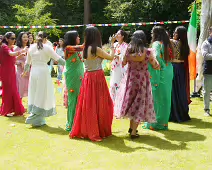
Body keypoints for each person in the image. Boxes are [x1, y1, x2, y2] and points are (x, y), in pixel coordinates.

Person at [70, 26, 116, 141]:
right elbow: (111, 57)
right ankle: (98, 130)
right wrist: (112, 45)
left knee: (89, 104)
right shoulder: (96, 49)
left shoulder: (85, 48)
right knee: (101, 104)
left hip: (88, 77)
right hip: (97, 77)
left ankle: (89, 129)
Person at [114, 30, 159, 139]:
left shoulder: (129, 50)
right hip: (142, 80)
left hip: (130, 79)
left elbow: (123, 62)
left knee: (131, 102)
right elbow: (155, 65)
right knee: (139, 104)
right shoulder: (147, 52)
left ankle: (131, 128)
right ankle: (134, 132)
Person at [23, 31, 65, 126]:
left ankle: (38, 119)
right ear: (45, 39)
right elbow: (58, 59)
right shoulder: (47, 47)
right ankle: (34, 115)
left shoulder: (31, 48)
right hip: (43, 72)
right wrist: (70, 64)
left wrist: (24, 72)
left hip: (34, 72)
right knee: (42, 93)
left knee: (35, 92)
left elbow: (27, 63)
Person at [143, 26, 174, 130]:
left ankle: (154, 124)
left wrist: (155, 66)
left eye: (152, 33)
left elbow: (155, 57)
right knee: (166, 98)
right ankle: (163, 123)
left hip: (160, 72)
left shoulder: (156, 44)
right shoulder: (168, 43)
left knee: (156, 98)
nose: (151, 35)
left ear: (155, 34)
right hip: (169, 70)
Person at [0, 32, 26, 116]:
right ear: (7, 39)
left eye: (15, 38)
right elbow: (11, 54)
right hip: (6, 71)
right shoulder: (4, 47)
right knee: (8, 91)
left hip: (11, 70)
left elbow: (13, 59)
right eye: (12, 38)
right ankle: (7, 110)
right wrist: (21, 51)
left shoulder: (9, 47)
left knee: (13, 90)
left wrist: (20, 55)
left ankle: (13, 108)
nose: (14, 40)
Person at [63, 31, 84, 132]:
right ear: (73, 38)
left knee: (79, 99)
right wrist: (91, 36)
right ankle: (71, 124)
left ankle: (78, 123)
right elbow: (83, 47)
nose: (79, 38)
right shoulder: (68, 48)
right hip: (72, 76)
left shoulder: (76, 50)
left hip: (79, 76)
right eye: (78, 37)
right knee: (73, 100)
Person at [169, 26, 191, 122]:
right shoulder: (186, 45)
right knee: (181, 91)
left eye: (176, 33)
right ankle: (182, 111)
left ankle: (174, 113)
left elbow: (163, 39)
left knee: (174, 91)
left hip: (174, 67)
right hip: (181, 69)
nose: (174, 34)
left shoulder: (174, 42)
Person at [110, 30, 128, 102]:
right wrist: (111, 42)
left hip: (121, 68)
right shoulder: (115, 44)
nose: (116, 36)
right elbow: (110, 53)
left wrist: (114, 56)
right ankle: (113, 101)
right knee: (113, 84)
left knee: (120, 84)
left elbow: (124, 57)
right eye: (116, 34)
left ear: (122, 36)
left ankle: (120, 101)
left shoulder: (125, 46)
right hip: (115, 68)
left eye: (118, 34)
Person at [15, 32, 30, 99]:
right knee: (20, 88)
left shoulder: (30, 48)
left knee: (29, 88)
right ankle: (19, 105)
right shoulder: (17, 48)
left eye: (26, 37)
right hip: (20, 71)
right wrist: (20, 63)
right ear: (20, 38)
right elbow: (13, 60)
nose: (25, 38)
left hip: (29, 71)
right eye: (24, 37)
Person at [201, 26, 212, 116]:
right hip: (208, 70)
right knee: (207, 91)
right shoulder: (206, 43)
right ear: (210, 32)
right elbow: (205, 55)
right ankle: (207, 109)